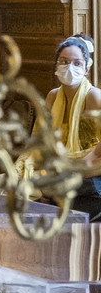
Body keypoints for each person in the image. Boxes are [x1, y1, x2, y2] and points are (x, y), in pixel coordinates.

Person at [51, 36, 101, 217]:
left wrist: (84, 163)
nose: (70, 68)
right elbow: (41, 139)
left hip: (91, 171)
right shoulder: (52, 96)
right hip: (62, 167)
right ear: (56, 65)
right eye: (64, 62)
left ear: (86, 68)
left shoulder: (94, 97)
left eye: (77, 63)